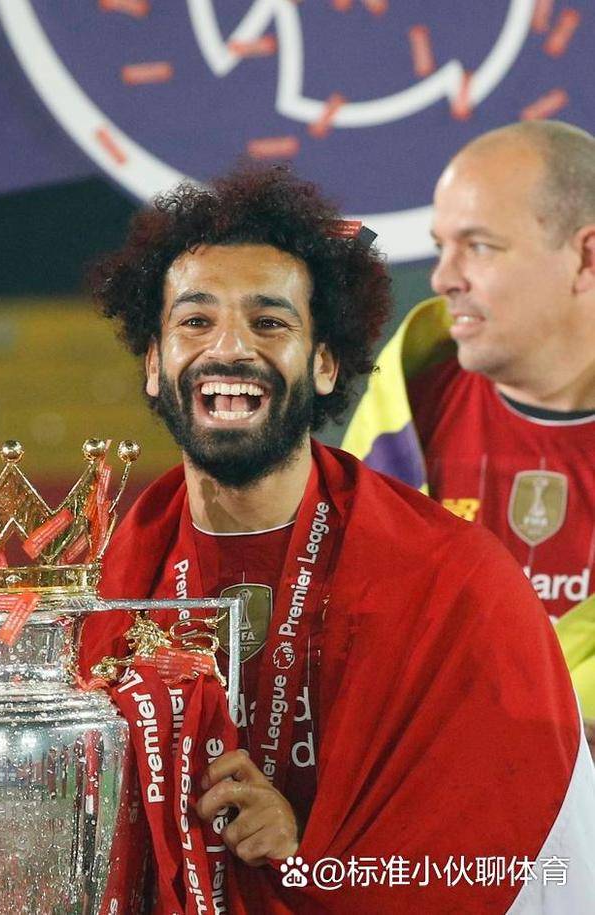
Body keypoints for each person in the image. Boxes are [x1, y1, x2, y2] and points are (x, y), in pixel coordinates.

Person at [79, 165, 595, 910]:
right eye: (195, 321)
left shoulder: (455, 582)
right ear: (155, 365)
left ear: (324, 364)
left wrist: (311, 859)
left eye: (269, 323)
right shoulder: (98, 596)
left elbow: (508, 853)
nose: (230, 347)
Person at [343, 121, 595, 623]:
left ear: (586, 258)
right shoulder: (404, 430)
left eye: (478, 246)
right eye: (442, 247)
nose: (443, 278)